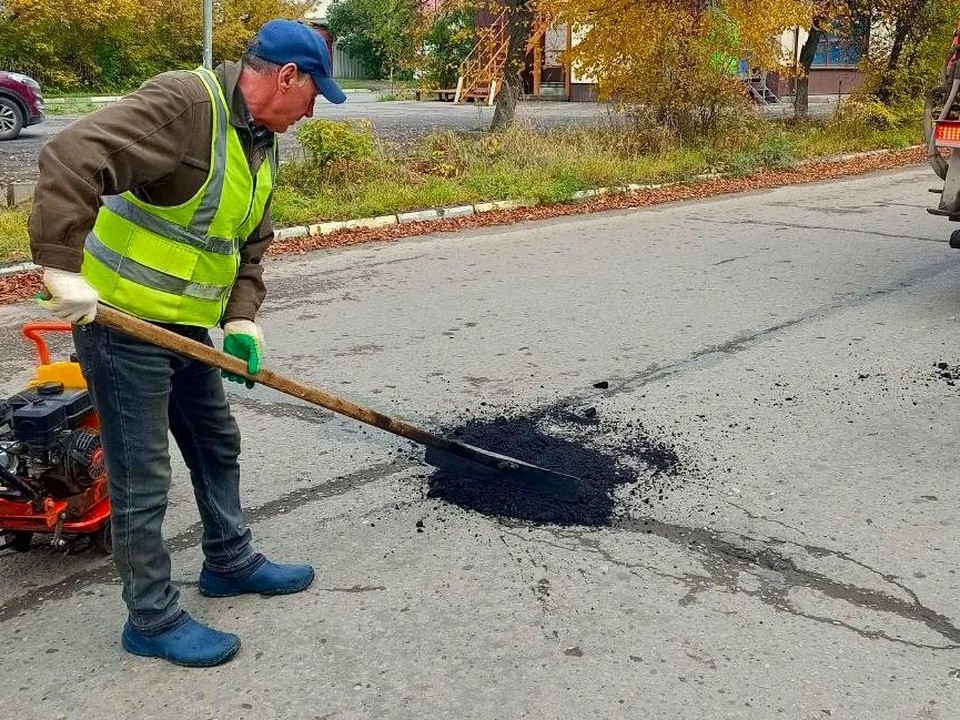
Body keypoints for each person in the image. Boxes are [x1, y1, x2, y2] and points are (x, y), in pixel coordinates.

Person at [29, 19, 347, 667]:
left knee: (215, 440)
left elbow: (248, 242)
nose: (314, 111)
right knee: (143, 478)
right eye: (315, 94)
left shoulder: (261, 137)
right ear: (286, 76)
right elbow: (70, 156)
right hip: (121, 327)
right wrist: (61, 268)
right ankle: (150, 618)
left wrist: (242, 319)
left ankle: (228, 561)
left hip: (183, 327)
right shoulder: (186, 106)